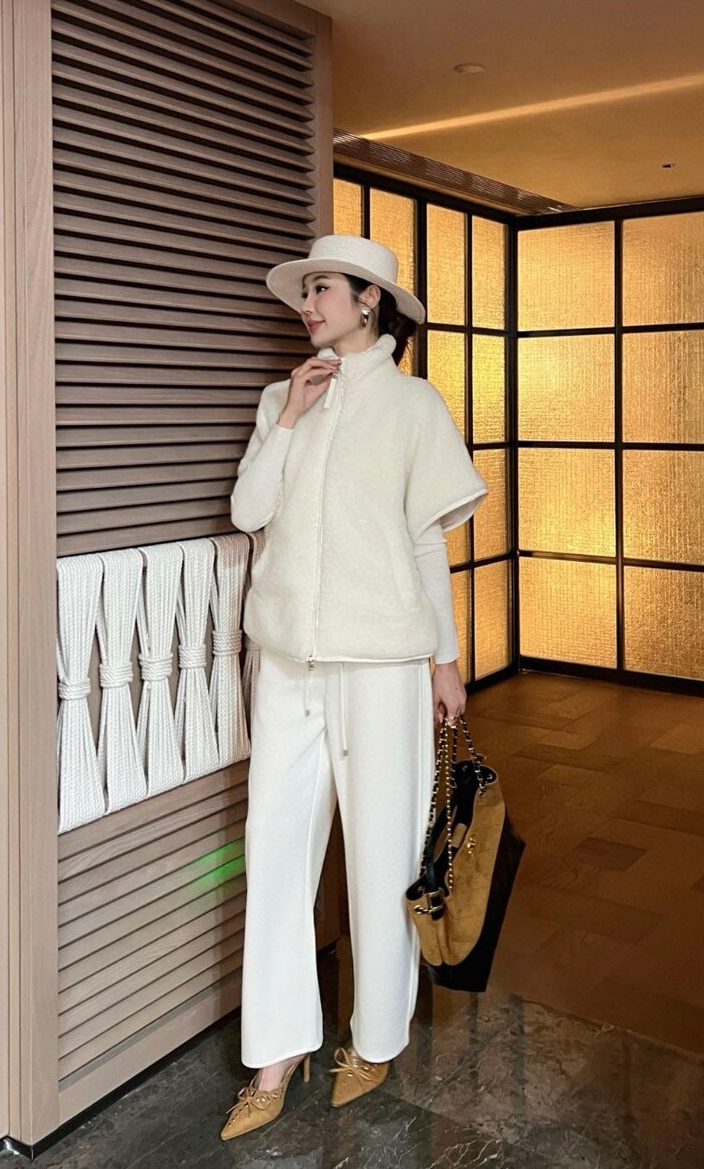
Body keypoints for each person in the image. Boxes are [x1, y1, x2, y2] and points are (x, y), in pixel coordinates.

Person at [220, 234, 487, 1140]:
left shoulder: (414, 406)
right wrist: (291, 418)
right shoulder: (280, 400)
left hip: (382, 665)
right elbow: (248, 513)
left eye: (323, 289)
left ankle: (374, 1039)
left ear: (369, 300)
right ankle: (276, 1054)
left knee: (381, 851)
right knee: (274, 850)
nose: (308, 304)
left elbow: (424, 540)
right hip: (288, 665)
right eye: (305, 291)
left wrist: (444, 660)